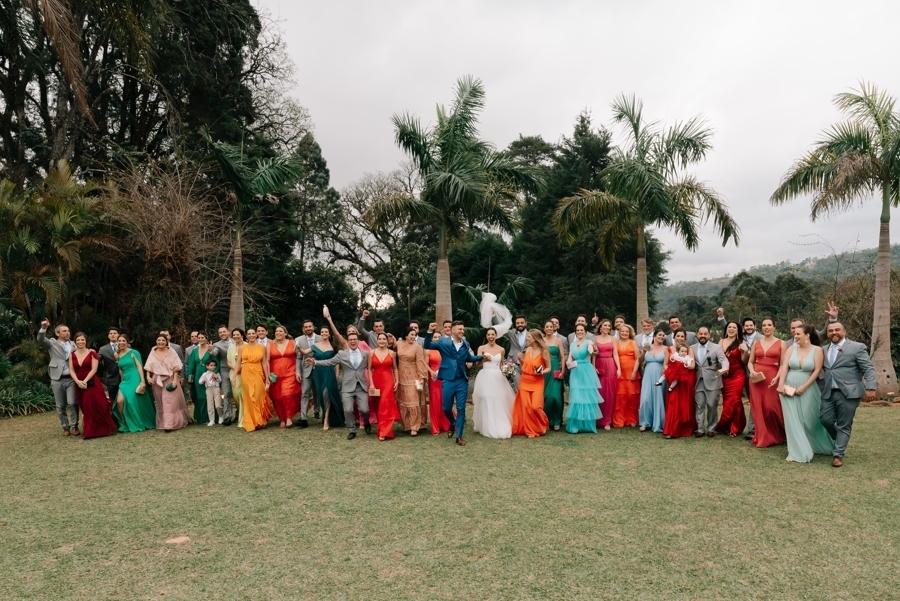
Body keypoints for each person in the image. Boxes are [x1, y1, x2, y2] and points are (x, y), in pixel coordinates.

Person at [818, 321, 876, 467]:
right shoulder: (823, 350)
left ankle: (838, 455)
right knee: (825, 420)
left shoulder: (857, 347)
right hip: (828, 392)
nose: (834, 333)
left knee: (844, 424)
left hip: (849, 393)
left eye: (837, 330)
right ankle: (841, 441)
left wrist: (871, 388)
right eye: (831, 331)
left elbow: (868, 368)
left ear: (844, 331)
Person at [776, 325, 834, 463]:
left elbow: (817, 370)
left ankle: (816, 444)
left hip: (808, 387)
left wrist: (804, 386)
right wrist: (781, 384)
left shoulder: (817, 350)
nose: (795, 336)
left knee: (809, 418)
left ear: (807, 335)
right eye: (795, 334)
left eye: (798, 334)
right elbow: (784, 367)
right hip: (788, 387)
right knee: (792, 419)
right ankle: (797, 451)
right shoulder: (791, 349)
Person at [424, 320, 485, 446]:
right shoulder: (443, 342)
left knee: (461, 408)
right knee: (446, 407)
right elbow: (427, 344)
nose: (462, 331)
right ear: (452, 330)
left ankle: (459, 436)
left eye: (463, 329)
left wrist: (481, 357)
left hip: (461, 380)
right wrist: (430, 331)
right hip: (448, 379)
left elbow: (468, 358)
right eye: (460, 329)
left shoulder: (465, 344)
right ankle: (452, 422)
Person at [307, 332, 372, 440]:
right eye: (350, 339)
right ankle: (352, 430)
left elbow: (372, 367)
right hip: (347, 387)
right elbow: (329, 362)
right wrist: (315, 363)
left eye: (355, 339)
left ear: (358, 340)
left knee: (365, 409)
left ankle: (366, 423)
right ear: (348, 341)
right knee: (348, 410)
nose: (353, 341)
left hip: (361, 386)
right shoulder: (342, 354)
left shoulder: (366, 354)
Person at [68, 332, 117, 439]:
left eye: (82, 340)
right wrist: (77, 381)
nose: (80, 342)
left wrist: (84, 381)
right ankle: (91, 428)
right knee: (85, 406)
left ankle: (93, 431)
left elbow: (94, 369)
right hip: (78, 384)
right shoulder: (72, 354)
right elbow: (71, 369)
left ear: (86, 341)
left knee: (94, 405)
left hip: (91, 383)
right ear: (75, 342)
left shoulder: (92, 353)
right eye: (78, 340)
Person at [748, 318, 787, 448]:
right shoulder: (756, 343)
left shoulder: (781, 343)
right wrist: (751, 371)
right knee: (759, 408)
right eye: (764, 325)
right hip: (756, 379)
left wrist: (777, 377)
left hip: (772, 378)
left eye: (769, 325)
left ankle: (779, 434)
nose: (766, 327)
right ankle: (763, 437)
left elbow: (783, 364)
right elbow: (750, 361)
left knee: (772, 408)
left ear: (774, 327)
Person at [38, 319, 79, 436]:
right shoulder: (52, 343)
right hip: (57, 378)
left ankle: (74, 426)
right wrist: (44, 328)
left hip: (71, 378)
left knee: (72, 402)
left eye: (68, 331)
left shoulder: (73, 344)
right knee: (60, 405)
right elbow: (40, 339)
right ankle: (65, 427)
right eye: (64, 331)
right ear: (58, 333)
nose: (67, 333)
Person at [472, 327, 514, 439]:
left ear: (496, 336)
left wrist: (507, 370)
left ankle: (499, 421)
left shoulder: (501, 349)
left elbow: (501, 364)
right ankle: (486, 424)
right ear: (486, 336)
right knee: (486, 398)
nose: (491, 337)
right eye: (488, 334)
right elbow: (477, 364)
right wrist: (483, 360)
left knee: (499, 398)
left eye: (492, 334)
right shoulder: (482, 348)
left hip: (498, 376)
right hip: (485, 375)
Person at [144, 334, 191, 432]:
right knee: (161, 402)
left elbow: (176, 368)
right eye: (159, 340)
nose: (160, 342)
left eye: (163, 340)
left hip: (169, 379)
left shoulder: (171, 352)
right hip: (156, 380)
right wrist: (148, 377)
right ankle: (164, 422)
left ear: (166, 342)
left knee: (168, 401)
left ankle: (169, 425)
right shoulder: (153, 352)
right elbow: (149, 366)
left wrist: (174, 381)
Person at [114, 334, 157, 432]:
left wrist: (142, 381)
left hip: (135, 378)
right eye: (119, 341)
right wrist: (122, 381)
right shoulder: (117, 354)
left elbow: (139, 367)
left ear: (127, 342)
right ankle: (123, 422)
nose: (121, 343)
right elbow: (120, 369)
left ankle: (137, 422)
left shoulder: (134, 352)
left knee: (131, 401)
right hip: (125, 380)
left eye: (123, 341)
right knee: (119, 401)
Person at [511, 329, 550, 438]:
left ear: (535, 338)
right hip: (525, 381)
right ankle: (530, 430)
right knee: (527, 407)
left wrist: (542, 371)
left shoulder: (544, 351)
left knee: (535, 407)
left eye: (529, 337)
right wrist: (520, 359)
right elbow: (524, 367)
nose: (527, 339)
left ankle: (544, 421)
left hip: (537, 382)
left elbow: (549, 368)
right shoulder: (527, 350)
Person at [692, 326, 729, 437]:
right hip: (698, 381)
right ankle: (700, 429)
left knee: (712, 405)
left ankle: (711, 428)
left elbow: (724, 361)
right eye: (700, 333)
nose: (703, 336)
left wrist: (724, 368)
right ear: (697, 334)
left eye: (705, 334)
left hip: (713, 380)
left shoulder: (716, 348)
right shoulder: (691, 348)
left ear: (709, 335)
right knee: (699, 405)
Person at [565, 323, 601, 434]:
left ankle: (587, 424)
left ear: (585, 332)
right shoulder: (572, 344)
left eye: (582, 330)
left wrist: (593, 351)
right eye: (578, 330)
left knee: (586, 397)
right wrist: (568, 362)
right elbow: (570, 357)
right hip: (575, 371)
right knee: (576, 396)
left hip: (586, 370)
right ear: (575, 332)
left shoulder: (589, 342)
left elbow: (591, 351)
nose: (580, 332)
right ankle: (575, 425)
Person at [235, 328, 274, 432]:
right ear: (246, 336)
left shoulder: (262, 347)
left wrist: (267, 377)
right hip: (246, 372)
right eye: (249, 334)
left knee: (258, 395)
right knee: (249, 397)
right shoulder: (242, 348)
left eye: (253, 333)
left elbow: (265, 362)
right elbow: (238, 363)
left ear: (256, 334)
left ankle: (259, 419)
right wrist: (234, 376)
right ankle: (253, 422)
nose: (251, 335)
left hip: (258, 371)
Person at [716, 321, 749, 437]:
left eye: (734, 327)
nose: (731, 329)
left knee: (735, 399)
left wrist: (745, 351)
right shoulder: (721, 341)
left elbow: (744, 361)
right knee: (728, 401)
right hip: (725, 376)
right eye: (729, 327)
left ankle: (735, 427)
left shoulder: (741, 342)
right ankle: (727, 425)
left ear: (737, 330)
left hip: (737, 375)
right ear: (726, 329)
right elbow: (718, 359)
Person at [309, 321, 344, 430]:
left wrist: (337, 373)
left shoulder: (333, 346)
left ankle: (326, 420)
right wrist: (297, 347)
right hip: (318, 372)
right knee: (321, 394)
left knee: (326, 393)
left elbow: (336, 361)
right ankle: (326, 415)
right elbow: (305, 352)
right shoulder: (316, 345)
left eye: (326, 332)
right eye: (322, 332)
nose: (324, 333)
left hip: (329, 372)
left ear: (329, 334)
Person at [662, 329, 696, 439]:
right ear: (674, 337)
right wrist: (672, 374)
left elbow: (692, 365)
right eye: (678, 336)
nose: (680, 338)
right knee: (673, 403)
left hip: (686, 379)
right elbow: (666, 365)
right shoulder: (669, 349)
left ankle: (684, 428)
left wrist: (681, 367)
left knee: (684, 403)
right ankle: (672, 430)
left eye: (682, 336)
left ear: (685, 338)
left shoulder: (688, 349)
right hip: (673, 379)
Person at [396, 326, 430, 435]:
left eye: (414, 335)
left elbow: (420, 362)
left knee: (413, 401)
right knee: (404, 402)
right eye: (411, 335)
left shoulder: (417, 347)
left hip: (413, 376)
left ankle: (415, 426)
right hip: (401, 376)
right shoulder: (399, 343)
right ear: (406, 335)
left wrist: (421, 378)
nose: (413, 337)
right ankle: (407, 425)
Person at [368, 333, 400, 440]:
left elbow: (395, 368)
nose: (382, 341)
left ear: (387, 341)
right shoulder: (371, 353)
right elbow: (369, 369)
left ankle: (383, 432)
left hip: (388, 381)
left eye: (384, 339)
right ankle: (385, 429)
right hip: (376, 380)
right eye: (380, 339)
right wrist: (371, 384)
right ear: (377, 341)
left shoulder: (392, 353)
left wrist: (397, 381)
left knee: (385, 405)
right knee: (378, 406)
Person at [268, 325, 300, 428]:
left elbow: (299, 358)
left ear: (285, 333)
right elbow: (266, 361)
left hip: (290, 372)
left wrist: (298, 372)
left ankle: (289, 417)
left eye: (280, 331)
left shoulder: (293, 343)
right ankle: (282, 419)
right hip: (275, 375)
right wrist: (268, 374)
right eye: (276, 331)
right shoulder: (270, 344)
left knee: (287, 394)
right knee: (277, 397)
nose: (278, 333)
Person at [293, 320, 322, 427]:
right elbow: (298, 358)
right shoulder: (299, 340)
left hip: (319, 369)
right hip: (306, 371)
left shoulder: (321, 338)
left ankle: (317, 411)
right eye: (306, 327)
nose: (308, 328)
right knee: (304, 393)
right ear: (303, 329)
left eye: (310, 326)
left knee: (318, 393)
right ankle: (303, 418)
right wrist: (298, 372)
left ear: (313, 327)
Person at [639, 330, 668, 433]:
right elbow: (640, 361)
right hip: (647, 375)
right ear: (654, 336)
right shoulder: (648, 347)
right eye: (659, 335)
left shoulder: (666, 349)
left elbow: (666, 364)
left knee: (658, 398)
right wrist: (643, 351)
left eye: (663, 335)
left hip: (659, 376)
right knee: (646, 398)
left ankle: (658, 423)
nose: (661, 336)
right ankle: (645, 422)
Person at [186, 332, 218, 424]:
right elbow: (191, 363)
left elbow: (216, 361)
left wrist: (215, 373)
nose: (200, 339)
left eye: (202, 337)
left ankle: (211, 417)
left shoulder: (210, 349)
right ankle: (201, 417)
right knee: (200, 397)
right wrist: (190, 376)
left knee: (209, 396)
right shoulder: (195, 350)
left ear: (206, 338)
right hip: (198, 375)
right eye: (198, 337)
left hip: (209, 374)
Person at [593, 319, 620, 430]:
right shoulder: (595, 339)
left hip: (610, 365)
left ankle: (607, 421)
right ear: (600, 326)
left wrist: (619, 368)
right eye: (605, 325)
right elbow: (593, 354)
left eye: (609, 326)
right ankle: (597, 419)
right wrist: (593, 367)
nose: (607, 327)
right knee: (599, 392)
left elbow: (616, 355)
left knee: (609, 394)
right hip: (598, 364)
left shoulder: (613, 339)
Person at [614, 324, 641, 428]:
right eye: (622, 331)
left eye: (626, 331)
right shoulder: (616, 342)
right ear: (619, 332)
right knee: (620, 396)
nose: (624, 333)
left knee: (631, 396)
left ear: (629, 333)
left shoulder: (633, 342)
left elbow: (637, 358)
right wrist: (617, 369)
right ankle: (619, 420)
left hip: (631, 371)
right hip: (619, 372)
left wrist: (634, 372)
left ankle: (632, 419)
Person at [542, 320, 566, 431]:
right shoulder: (541, 341)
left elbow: (562, 357)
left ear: (554, 327)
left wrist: (563, 371)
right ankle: (546, 421)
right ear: (544, 328)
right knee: (546, 397)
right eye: (547, 326)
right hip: (546, 371)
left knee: (556, 397)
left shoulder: (558, 341)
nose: (549, 328)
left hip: (556, 369)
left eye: (551, 326)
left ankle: (557, 420)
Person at [427, 331, 451, 436]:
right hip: (434, 378)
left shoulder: (445, 350)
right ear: (432, 339)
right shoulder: (428, 350)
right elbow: (424, 363)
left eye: (439, 337)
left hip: (444, 377)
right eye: (435, 337)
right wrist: (431, 372)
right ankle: (435, 426)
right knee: (435, 401)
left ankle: (445, 424)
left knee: (444, 399)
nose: (437, 338)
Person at [210, 325, 234, 426]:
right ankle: (227, 416)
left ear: (228, 332)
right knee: (226, 393)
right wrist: (210, 350)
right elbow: (214, 353)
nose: (222, 334)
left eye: (224, 332)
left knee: (239, 393)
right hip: (225, 371)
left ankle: (240, 414)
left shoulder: (235, 340)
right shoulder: (217, 344)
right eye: (220, 333)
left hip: (239, 369)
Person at [97, 327, 121, 409]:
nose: (113, 335)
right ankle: (114, 420)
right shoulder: (103, 349)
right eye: (111, 333)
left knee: (125, 400)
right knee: (113, 401)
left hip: (125, 377)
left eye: (114, 333)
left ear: (118, 335)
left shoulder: (125, 345)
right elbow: (97, 359)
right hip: (111, 378)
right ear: (108, 336)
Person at [505, 315, 528, 391]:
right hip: (514, 364)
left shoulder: (531, 335)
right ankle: (519, 402)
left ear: (526, 323)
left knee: (527, 386)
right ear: (515, 324)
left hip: (527, 364)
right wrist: (494, 315)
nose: (520, 324)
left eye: (522, 322)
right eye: (518, 323)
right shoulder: (512, 333)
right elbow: (502, 327)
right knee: (518, 386)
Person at [198, 359, 223, 427]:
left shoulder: (216, 373)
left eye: (214, 365)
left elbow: (220, 380)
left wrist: (217, 377)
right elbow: (199, 381)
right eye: (211, 365)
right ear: (207, 366)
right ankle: (211, 420)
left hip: (216, 388)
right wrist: (203, 380)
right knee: (210, 404)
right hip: (208, 389)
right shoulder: (205, 374)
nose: (213, 367)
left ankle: (220, 416)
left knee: (218, 404)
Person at [227, 329, 244, 428]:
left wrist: (242, 367)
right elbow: (228, 361)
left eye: (238, 334)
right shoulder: (230, 348)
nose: (236, 336)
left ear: (242, 335)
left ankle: (244, 417)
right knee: (237, 395)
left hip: (245, 372)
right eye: (234, 335)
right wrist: (236, 369)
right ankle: (239, 412)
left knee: (244, 395)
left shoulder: (246, 345)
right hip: (234, 374)